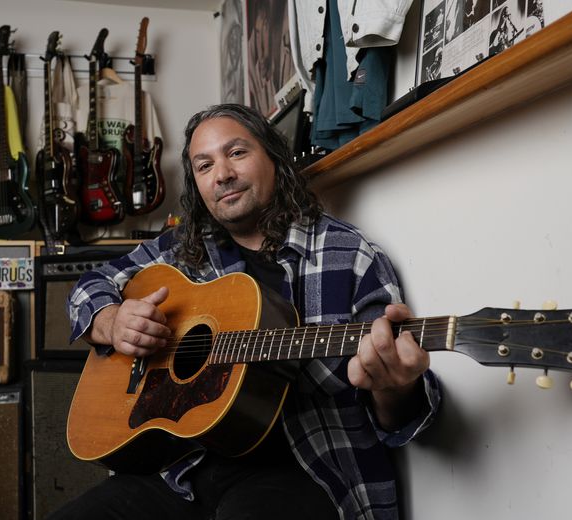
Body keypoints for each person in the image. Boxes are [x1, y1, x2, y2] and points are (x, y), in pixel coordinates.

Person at [55, 103, 440, 520]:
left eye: (236, 153)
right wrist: (112, 322)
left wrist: (393, 387)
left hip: (305, 468)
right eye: (204, 166)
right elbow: (88, 286)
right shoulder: (182, 249)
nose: (222, 174)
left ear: (273, 156)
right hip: (181, 466)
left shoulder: (349, 256)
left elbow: (397, 417)